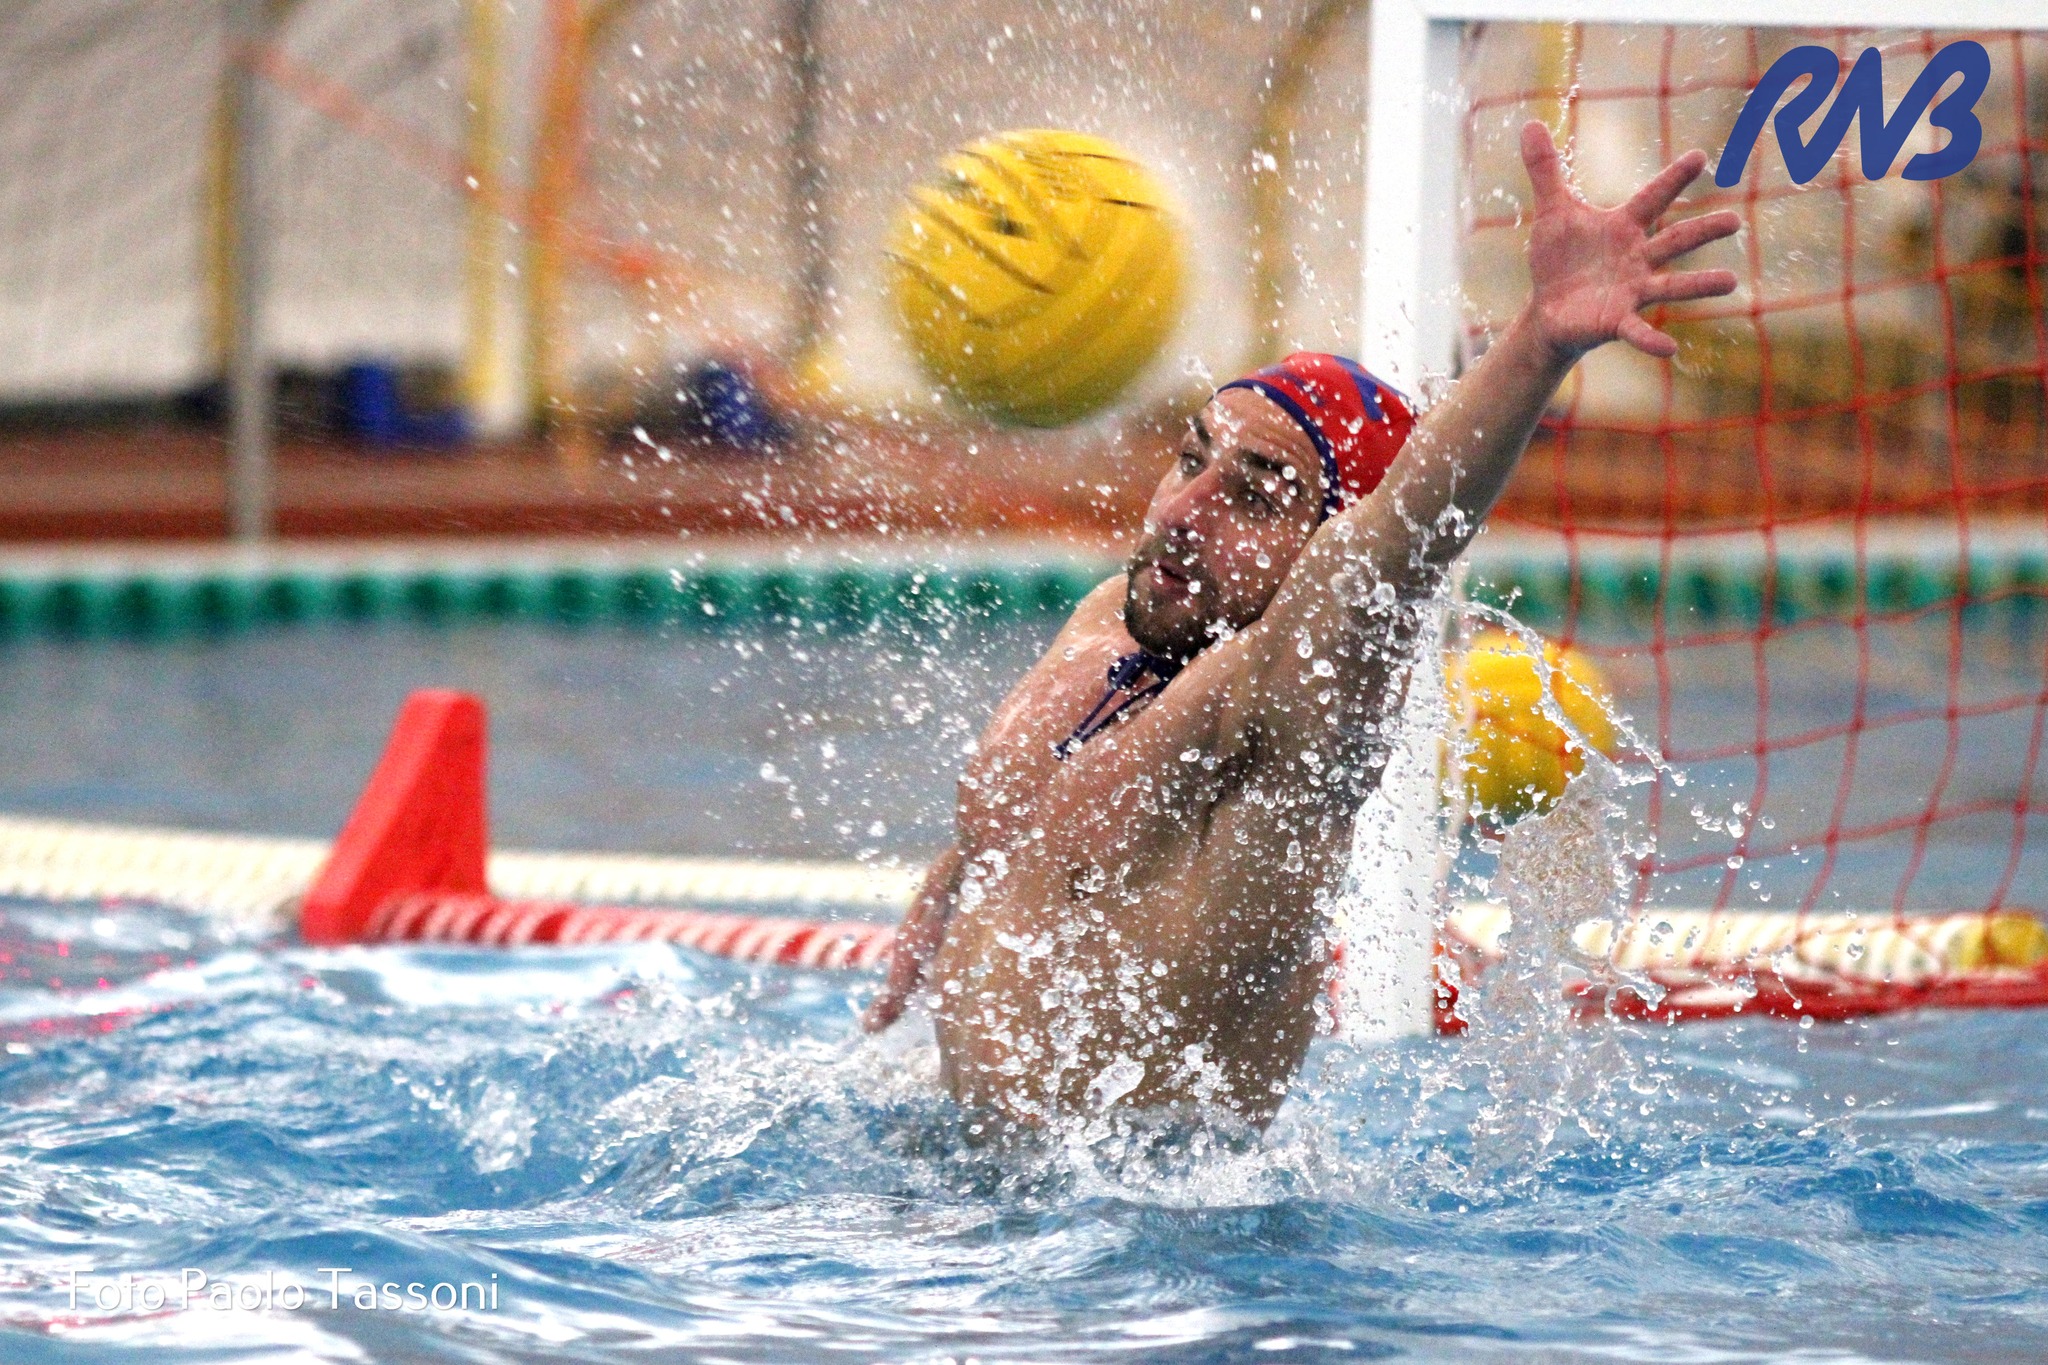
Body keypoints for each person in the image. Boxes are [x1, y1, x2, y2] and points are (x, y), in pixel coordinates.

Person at [861, 123, 1741, 1130]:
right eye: (1190, 458)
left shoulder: (1284, 716)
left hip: (1150, 1246)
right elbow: (1048, 812)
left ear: (1323, 550)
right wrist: (960, 871)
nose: (1182, 512)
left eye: (1251, 493)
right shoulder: (1123, 613)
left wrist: (1538, 342)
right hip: (968, 1206)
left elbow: (1387, 555)